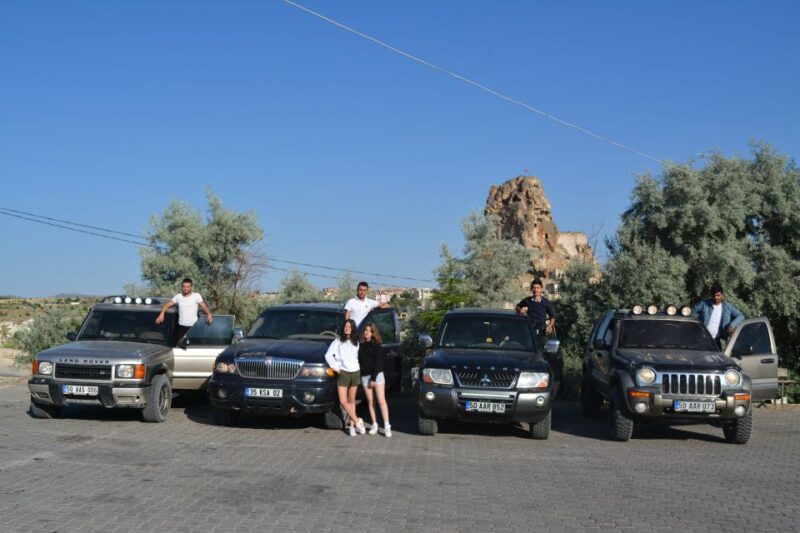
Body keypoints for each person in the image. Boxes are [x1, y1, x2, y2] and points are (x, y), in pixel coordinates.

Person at [324, 319, 366, 437]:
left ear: (352, 328)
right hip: (343, 373)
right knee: (343, 401)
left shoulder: (356, 341)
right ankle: (358, 421)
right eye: (346, 326)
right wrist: (336, 368)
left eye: (349, 326)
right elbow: (328, 355)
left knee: (352, 401)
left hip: (355, 372)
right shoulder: (338, 341)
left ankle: (351, 426)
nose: (347, 328)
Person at [155, 278, 213, 346]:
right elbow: (167, 305)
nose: (186, 288)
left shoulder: (196, 296)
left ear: (191, 287)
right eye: (184, 286)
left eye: (188, 287)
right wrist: (161, 314)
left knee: (193, 348)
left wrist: (209, 314)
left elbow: (204, 306)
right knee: (181, 348)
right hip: (181, 327)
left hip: (193, 327)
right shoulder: (178, 296)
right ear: (182, 287)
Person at [358, 322, 391, 437]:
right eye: (365, 330)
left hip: (377, 376)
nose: (366, 332)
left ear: (373, 333)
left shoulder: (376, 345)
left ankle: (387, 426)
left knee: (381, 400)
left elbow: (378, 363)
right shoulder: (360, 346)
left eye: (369, 331)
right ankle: (374, 424)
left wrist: (373, 378)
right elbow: (359, 362)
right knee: (371, 402)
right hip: (365, 377)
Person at [691, 282, 745, 348]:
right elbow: (691, 312)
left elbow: (741, 316)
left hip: (716, 340)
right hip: (702, 338)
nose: (716, 297)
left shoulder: (727, 307)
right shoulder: (704, 304)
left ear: (722, 295)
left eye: (718, 295)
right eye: (714, 295)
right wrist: (695, 325)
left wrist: (732, 325)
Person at [515, 278, 556, 351]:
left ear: (541, 289)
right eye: (534, 288)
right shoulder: (527, 300)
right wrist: (520, 310)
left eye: (537, 288)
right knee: (528, 351)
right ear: (531, 289)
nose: (535, 290)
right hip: (529, 332)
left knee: (546, 352)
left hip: (542, 332)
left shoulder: (546, 303)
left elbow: (552, 316)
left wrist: (550, 326)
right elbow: (517, 306)